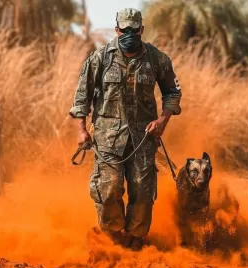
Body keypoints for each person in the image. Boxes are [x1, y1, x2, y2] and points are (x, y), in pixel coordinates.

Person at [69, 8, 182, 251]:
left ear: (141, 29)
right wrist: (81, 130)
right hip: (107, 139)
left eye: (134, 29)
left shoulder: (157, 59)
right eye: (125, 29)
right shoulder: (100, 58)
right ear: (117, 29)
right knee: (108, 190)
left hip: (143, 139)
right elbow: (81, 98)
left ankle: (136, 242)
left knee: (142, 193)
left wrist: (163, 120)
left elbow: (172, 93)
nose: (130, 33)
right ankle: (112, 237)